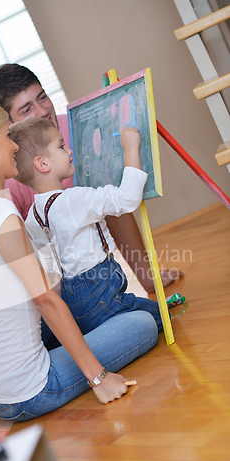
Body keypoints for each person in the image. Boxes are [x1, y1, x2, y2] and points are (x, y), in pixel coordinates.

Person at [0, 63, 180, 442]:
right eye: (8, 136)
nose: (15, 144)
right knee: (140, 326)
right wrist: (99, 378)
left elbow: (8, 299)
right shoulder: (6, 215)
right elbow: (47, 301)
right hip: (25, 392)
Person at [9, 117, 163, 335]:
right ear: (42, 164)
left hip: (75, 306)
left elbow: (50, 269)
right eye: (61, 146)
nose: (70, 151)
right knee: (162, 316)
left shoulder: (33, 217)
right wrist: (130, 148)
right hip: (103, 297)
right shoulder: (74, 199)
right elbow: (126, 199)